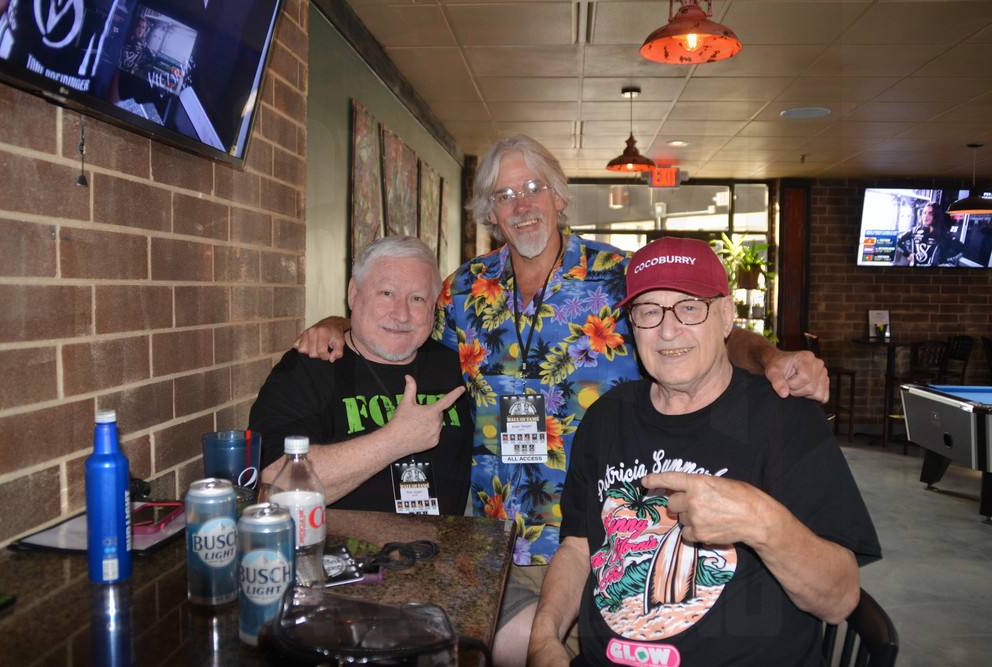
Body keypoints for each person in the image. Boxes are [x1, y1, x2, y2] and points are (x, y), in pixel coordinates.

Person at [293, 135, 829, 666]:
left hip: (602, 541)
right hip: (492, 540)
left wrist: (772, 356)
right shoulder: (461, 290)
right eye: (505, 196)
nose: (521, 205)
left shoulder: (619, 277)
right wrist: (337, 323)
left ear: (558, 195)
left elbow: (706, 334)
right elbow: (401, 336)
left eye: (532, 188)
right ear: (490, 214)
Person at [528, 237, 880, 666]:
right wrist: (544, 639)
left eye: (690, 306)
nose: (668, 329)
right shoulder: (605, 419)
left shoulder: (784, 419)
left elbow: (840, 598)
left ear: (727, 316)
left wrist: (761, 522)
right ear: (632, 326)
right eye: (649, 311)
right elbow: (579, 546)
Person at [248, 235, 471, 515]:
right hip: (338, 555)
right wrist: (393, 442)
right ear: (354, 293)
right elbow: (275, 480)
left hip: (445, 553)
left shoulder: (459, 366)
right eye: (387, 293)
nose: (401, 314)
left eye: (417, 298)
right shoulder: (311, 367)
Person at [895, 201, 964, 266]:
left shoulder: (944, 234)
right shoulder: (915, 231)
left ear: (936, 216)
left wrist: (943, 261)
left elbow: (961, 250)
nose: (926, 216)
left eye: (930, 213)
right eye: (925, 213)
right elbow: (898, 242)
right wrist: (907, 255)